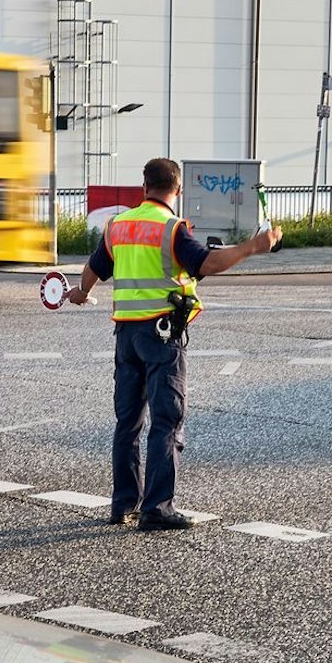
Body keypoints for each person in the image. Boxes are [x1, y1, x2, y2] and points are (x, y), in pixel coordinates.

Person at [67, 157, 282, 531]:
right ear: (178, 189)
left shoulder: (118, 226)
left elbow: (96, 267)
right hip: (161, 336)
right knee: (166, 421)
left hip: (126, 336)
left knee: (128, 423)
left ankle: (123, 505)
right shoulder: (171, 228)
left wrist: (81, 292)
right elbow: (207, 264)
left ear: (144, 186)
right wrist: (253, 246)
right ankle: (157, 509)